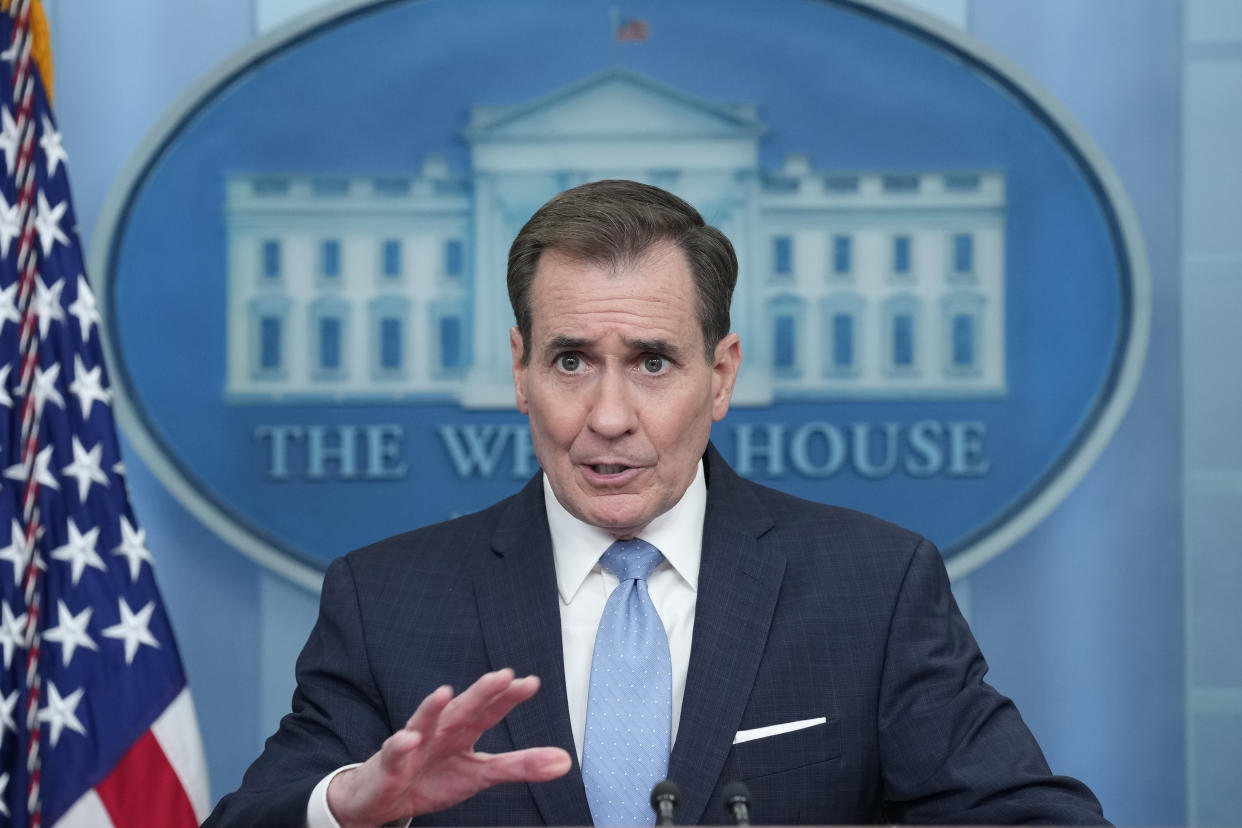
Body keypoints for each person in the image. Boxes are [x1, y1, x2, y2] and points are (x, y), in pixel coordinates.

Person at [205, 180, 1107, 827]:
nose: (607, 416)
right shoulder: (387, 600)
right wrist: (346, 811)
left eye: (652, 362)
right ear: (519, 372)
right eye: (570, 362)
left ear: (720, 376)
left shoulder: (872, 586)